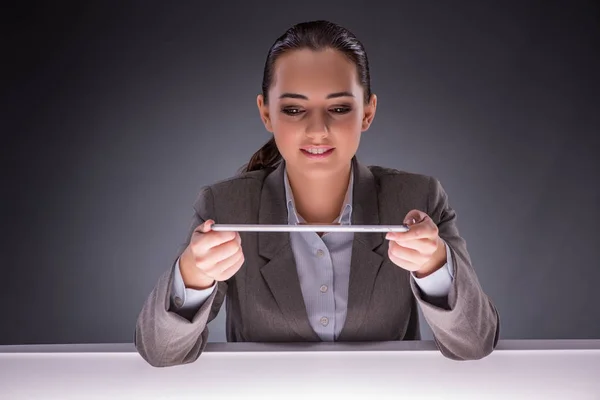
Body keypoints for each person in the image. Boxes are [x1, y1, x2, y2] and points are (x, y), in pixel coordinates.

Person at [134, 20, 500, 367]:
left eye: (339, 108)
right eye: (294, 109)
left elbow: (473, 342)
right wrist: (193, 274)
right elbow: (159, 350)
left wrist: (435, 266)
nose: (317, 130)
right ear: (266, 113)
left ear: (368, 112)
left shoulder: (418, 197)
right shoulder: (225, 206)